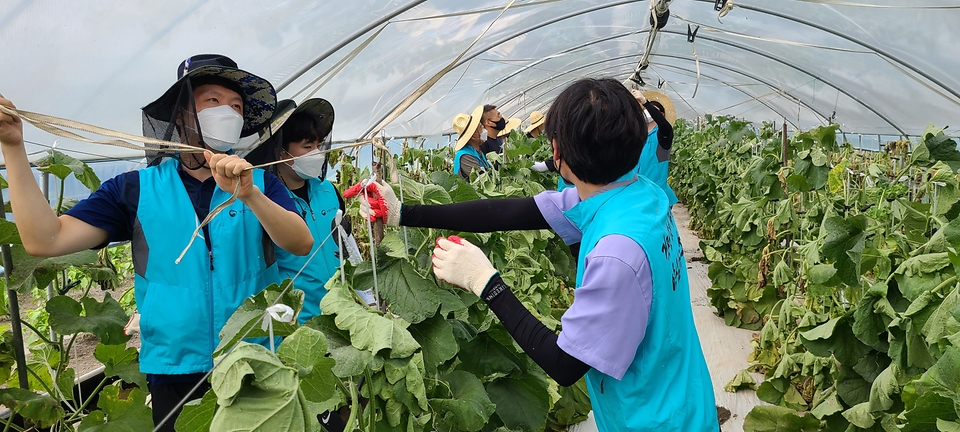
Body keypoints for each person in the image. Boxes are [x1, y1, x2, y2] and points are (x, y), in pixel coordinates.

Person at [354, 78, 717, 431]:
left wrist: (485, 282)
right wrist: (405, 213)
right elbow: (508, 212)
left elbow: (565, 364)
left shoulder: (616, 255)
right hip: (681, 396)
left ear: (558, 153)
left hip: (652, 419)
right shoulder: (640, 194)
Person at [0, 54, 313, 431]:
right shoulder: (135, 189)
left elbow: (300, 243)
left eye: (236, 106)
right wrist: (14, 147)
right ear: (182, 115)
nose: (228, 111)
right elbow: (45, 240)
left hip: (256, 354)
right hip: (174, 365)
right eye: (213, 101)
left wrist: (250, 196)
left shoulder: (261, 182)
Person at [245, 98, 361, 325]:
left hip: (343, 313)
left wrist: (364, 295)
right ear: (281, 153)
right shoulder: (267, 201)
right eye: (307, 147)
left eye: (318, 146)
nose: (316, 153)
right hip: (298, 320)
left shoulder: (328, 190)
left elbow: (348, 243)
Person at [632, 89, 678, 206]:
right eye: (646, 110)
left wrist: (646, 102)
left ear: (661, 115)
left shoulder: (663, 135)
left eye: (652, 110)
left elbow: (664, 125)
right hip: (636, 191)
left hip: (657, 194)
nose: (647, 112)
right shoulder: (637, 135)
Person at [451, 105, 491, 180]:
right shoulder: (465, 156)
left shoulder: (477, 152)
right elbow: (482, 180)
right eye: (481, 128)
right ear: (473, 136)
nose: (484, 131)